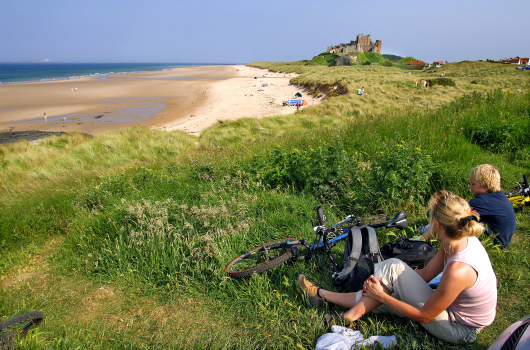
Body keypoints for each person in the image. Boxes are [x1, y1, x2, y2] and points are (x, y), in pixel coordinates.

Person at [298, 190, 497, 344]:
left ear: (437, 224)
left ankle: (344, 316)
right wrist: (388, 284)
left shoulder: (459, 269)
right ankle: (322, 295)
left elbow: (425, 316)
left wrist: (382, 295)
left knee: (387, 288)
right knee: (387, 283)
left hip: (460, 328)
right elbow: (426, 275)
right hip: (451, 311)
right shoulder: (457, 240)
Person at [421, 164, 516, 248]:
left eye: (473, 184)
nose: (470, 186)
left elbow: (452, 213)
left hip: (493, 242)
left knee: (449, 218)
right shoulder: (498, 196)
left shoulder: (483, 201)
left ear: (485, 186)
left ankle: (421, 238)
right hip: (502, 239)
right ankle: (428, 229)